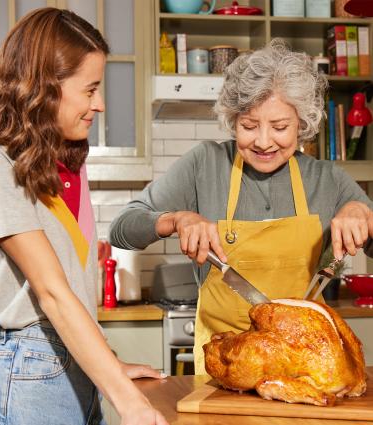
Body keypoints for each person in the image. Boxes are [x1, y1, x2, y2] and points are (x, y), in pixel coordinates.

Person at [109, 39, 373, 374]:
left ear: (302, 124)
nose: (263, 141)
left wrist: (363, 215)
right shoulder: (204, 164)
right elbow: (121, 227)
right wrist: (177, 219)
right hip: (225, 366)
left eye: (279, 127)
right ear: (232, 120)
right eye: (249, 126)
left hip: (304, 364)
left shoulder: (327, 179)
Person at [0, 8, 170, 425]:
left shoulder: (58, 167)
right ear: (44, 87)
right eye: (89, 88)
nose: (100, 104)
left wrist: (111, 366)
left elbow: (73, 293)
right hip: (26, 380)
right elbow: (50, 293)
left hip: (72, 379)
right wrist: (128, 400)